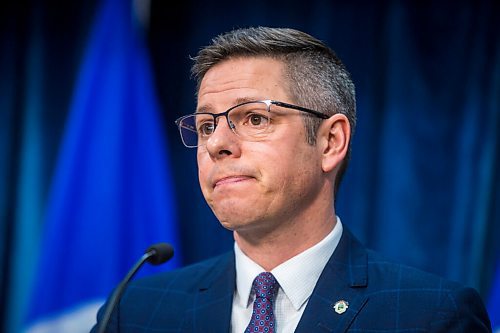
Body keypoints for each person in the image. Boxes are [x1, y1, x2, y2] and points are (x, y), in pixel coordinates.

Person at [93, 26, 491, 332]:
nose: (217, 144)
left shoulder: (432, 315)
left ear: (330, 142)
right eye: (205, 125)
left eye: (254, 119)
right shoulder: (137, 311)